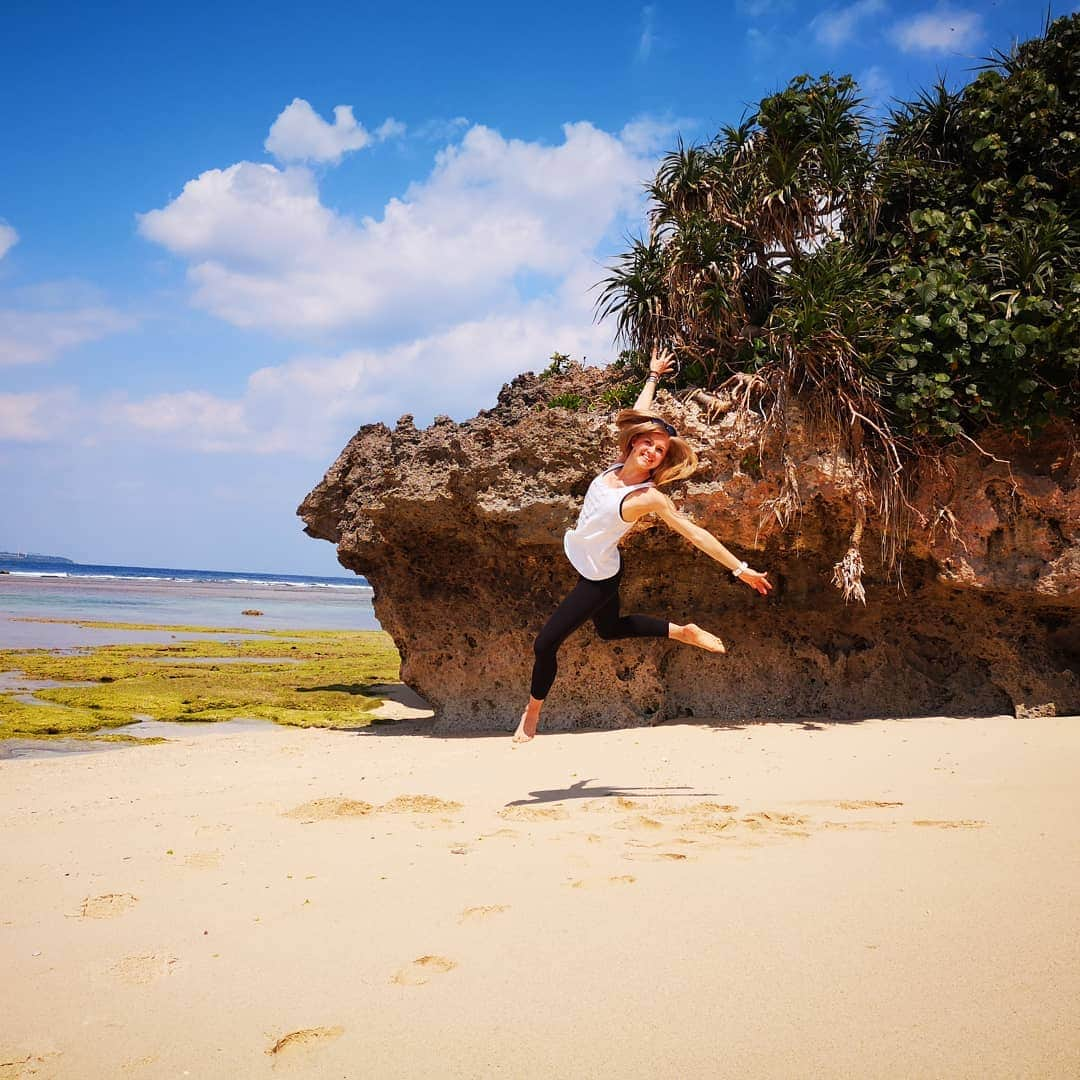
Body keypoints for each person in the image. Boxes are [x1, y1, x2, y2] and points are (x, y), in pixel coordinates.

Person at [512, 346, 772, 743]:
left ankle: (531, 715)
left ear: (662, 461)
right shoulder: (615, 465)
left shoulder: (649, 497)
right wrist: (653, 376)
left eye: (660, 451)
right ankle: (682, 631)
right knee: (611, 630)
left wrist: (740, 569)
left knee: (545, 643)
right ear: (634, 444)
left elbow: (694, 534)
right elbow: (640, 414)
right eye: (647, 443)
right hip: (594, 560)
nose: (651, 451)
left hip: (597, 576)